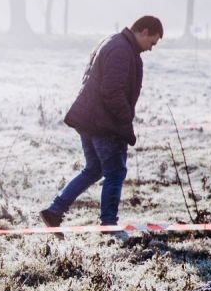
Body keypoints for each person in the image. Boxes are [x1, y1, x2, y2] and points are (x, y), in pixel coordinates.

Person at [40, 15, 164, 236]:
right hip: (103, 123)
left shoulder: (115, 42)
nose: (151, 48)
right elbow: (112, 91)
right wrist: (125, 121)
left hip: (90, 119)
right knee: (115, 173)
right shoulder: (122, 50)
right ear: (143, 31)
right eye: (152, 42)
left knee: (94, 169)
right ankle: (109, 226)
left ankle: (54, 211)